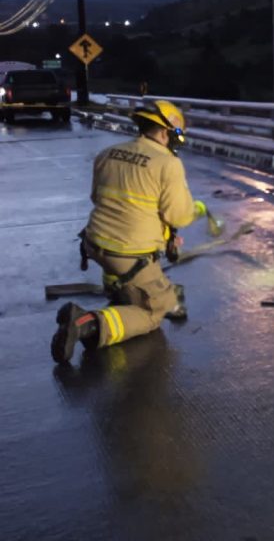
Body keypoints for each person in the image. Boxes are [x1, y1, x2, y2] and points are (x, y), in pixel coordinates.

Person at [51, 100, 208, 364]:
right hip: (129, 255)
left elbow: (97, 198)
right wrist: (196, 210)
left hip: (93, 243)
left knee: (129, 277)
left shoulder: (108, 153)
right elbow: (177, 215)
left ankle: (118, 291)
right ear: (164, 132)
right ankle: (87, 323)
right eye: (175, 134)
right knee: (154, 313)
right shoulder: (167, 164)